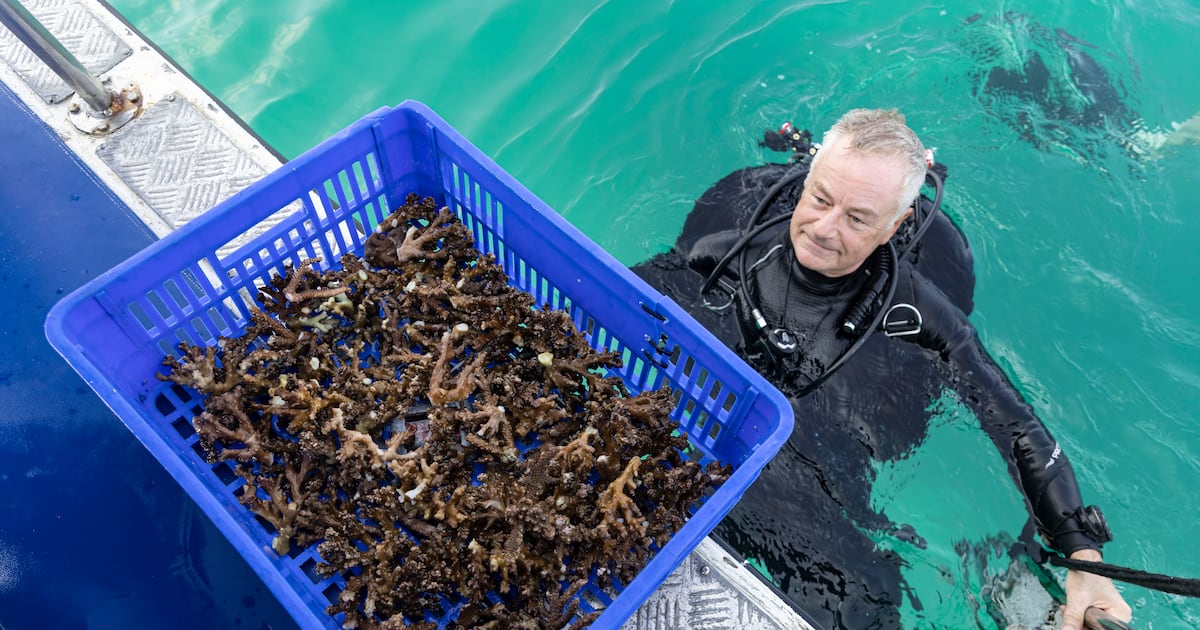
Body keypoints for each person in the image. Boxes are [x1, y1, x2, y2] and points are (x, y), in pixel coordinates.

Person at [632, 109, 1132, 629]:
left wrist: (1081, 553)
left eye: (857, 218)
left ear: (896, 225)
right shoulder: (729, 235)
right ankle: (812, 153)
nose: (824, 230)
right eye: (820, 198)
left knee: (859, 596)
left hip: (851, 395)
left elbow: (1018, 426)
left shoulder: (922, 310)